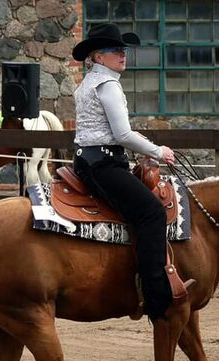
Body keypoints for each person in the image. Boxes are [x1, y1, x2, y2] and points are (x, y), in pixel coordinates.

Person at [71, 23, 191, 324]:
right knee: (151, 212)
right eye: (115, 50)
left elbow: (107, 132)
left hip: (91, 159)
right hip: (103, 164)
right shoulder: (108, 85)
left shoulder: (88, 82)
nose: (123, 54)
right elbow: (122, 133)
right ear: (98, 56)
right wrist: (157, 151)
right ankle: (157, 297)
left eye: (124, 49)